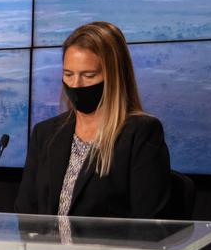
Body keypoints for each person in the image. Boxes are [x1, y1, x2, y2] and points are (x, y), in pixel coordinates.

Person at [14, 21, 170, 219]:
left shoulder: (141, 133)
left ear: (114, 76)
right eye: (68, 74)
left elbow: (149, 224)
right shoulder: (45, 134)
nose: (76, 84)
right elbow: (26, 213)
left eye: (88, 75)